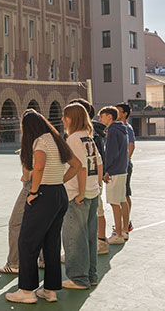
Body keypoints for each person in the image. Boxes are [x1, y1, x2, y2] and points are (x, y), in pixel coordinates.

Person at [5, 110, 80, 304]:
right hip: (59, 195)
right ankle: (49, 290)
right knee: (51, 245)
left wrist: (34, 192)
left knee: (27, 242)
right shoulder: (56, 140)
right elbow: (77, 165)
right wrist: (59, 180)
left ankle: (27, 291)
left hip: (44, 195)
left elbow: (38, 166)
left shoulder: (39, 142)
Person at [61, 103, 102, 289]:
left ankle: (78, 278)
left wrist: (80, 192)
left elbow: (81, 167)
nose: (63, 120)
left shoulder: (73, 139)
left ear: (73, 119)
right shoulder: (89, 138)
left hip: (79, 195)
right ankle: (91, 274)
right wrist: (97, 184)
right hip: (93, 192)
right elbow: (98, 163)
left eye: (66, 117)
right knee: (90, 237)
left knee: (74, 237)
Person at [68, 98, 110, 255]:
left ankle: (99, 242)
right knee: (95, 213)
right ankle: (98, 242)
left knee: (95, 213)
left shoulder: (88, 135)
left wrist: (95, 184)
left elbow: (85, 164)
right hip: (93, 182)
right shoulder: (90, 133)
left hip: (88, 183)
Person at [98, 107, 129, 244]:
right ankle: (123, 230)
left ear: (109, 117)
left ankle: (117, 234)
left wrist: (106, 170)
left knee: (115, 203)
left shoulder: (112, 131)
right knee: (121, 200)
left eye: (102, 117)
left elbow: (111, 153)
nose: (100, 120)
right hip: (122, 169)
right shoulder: (122, 129)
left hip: (114, 172)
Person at [116, 102, 136, 234]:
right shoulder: (116, 127)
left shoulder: (127, 128)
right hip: (119, 166)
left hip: (124, 166)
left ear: (125, 114)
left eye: (118, 111)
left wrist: (125, 161)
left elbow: (131, 146)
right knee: (121, 195)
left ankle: (126, 223)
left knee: (125, 194)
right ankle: (124, 222)